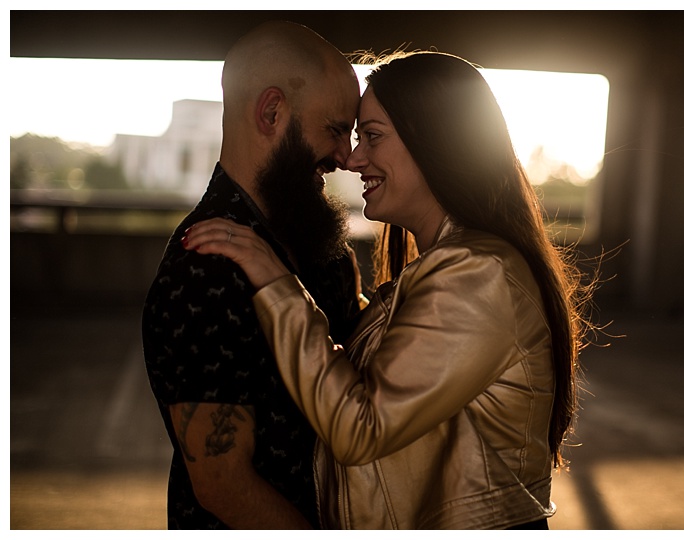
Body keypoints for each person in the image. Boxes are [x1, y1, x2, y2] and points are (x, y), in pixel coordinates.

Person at [183, 51, 594, 529]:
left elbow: (361, 428)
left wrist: (277, 284)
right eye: (356, 138)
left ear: (436, 144)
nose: (353, 159)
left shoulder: (478, 274)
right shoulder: (452, 270)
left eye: (372, 137)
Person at [141, 20, 363, 529]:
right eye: (335, 130)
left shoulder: (319, 247)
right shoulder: (205, 267)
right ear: (271, 113)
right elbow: (223, 484)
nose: (347, 156)